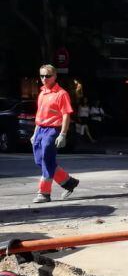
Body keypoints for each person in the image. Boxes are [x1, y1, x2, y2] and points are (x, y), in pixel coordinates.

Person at [30, 64, 80, 204]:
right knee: (40, 160)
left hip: (53, 129)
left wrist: (62, 134)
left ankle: (44, 193)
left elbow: (66, 115)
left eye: (47, 76)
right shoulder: (42, 93)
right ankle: (69, 182)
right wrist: (35, 133)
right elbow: (39, 115)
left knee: (46, 158)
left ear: (55, 76)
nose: (44, 79)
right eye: (42, 76)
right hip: (40, 129)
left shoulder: (61, 94)